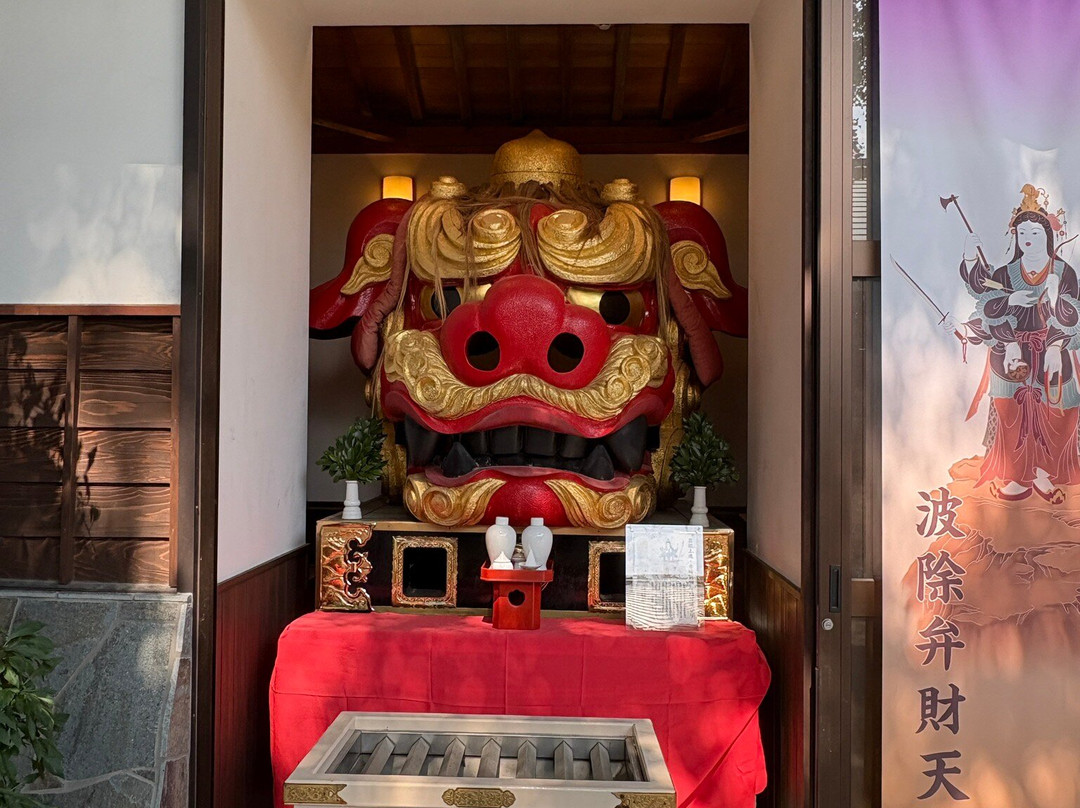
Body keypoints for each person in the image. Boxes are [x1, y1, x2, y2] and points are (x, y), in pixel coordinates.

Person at [959, 185, 1080, 503]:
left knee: (1058, 412)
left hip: (1050, 353)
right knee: (1012, 411)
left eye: (1035, 232)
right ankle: (1015, 476)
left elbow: (1073, 313)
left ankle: (1044, 475)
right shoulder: (1006, 272)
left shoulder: (1064, 272)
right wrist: (1009, 339)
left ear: (1047, 237)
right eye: (1022, 232)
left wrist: (1055, 345)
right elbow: (986, 304)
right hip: (1012, 352)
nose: (1029, 238)